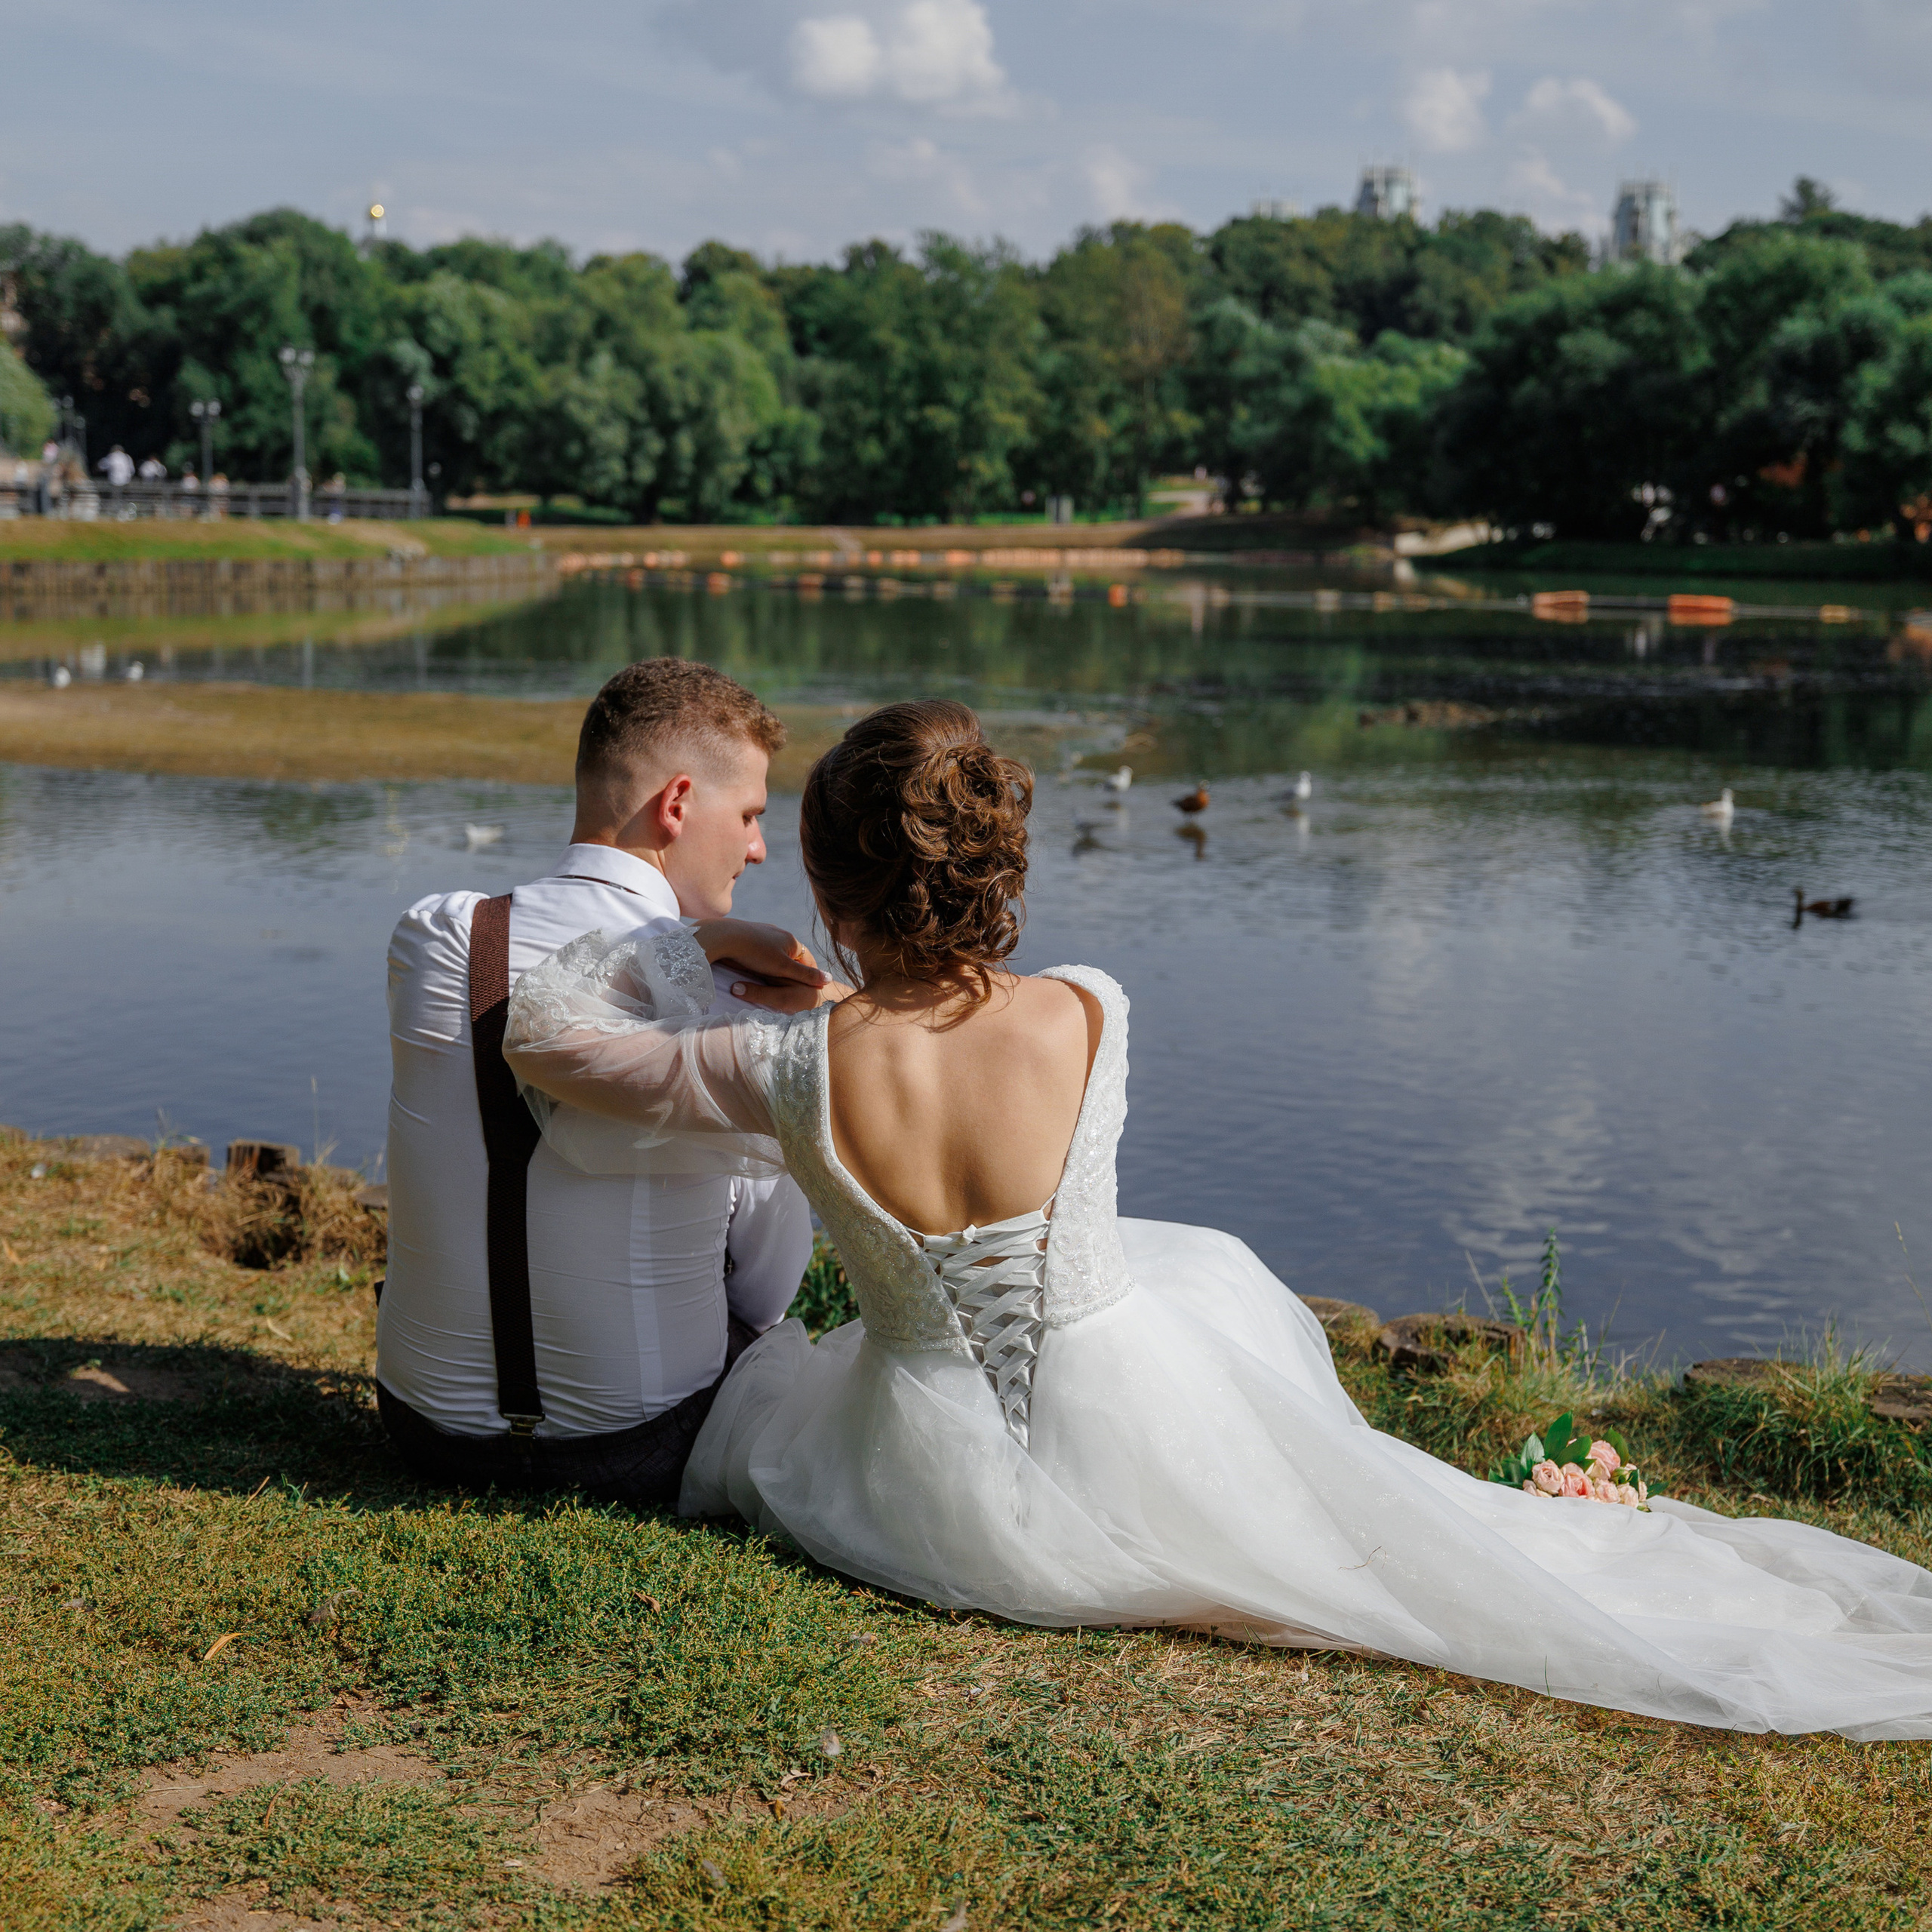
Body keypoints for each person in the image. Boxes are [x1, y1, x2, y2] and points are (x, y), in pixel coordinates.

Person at [505, 698, 1932, 1740]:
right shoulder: (1091, 1009)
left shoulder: (788, 1063)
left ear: (828, 883)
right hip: (1132, 1405)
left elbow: (548, 1036)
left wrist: (690, 934)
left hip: (913, 1462)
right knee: (1211, 1287)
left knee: (821, 1376)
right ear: (996, 866)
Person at [377, 657, 827, 1507]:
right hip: (641, 1445)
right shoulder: (734, 996)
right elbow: (768, 1288)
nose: (759, 847)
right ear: (678, 803)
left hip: (424, 1430)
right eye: (751, 815)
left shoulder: (435, 937)